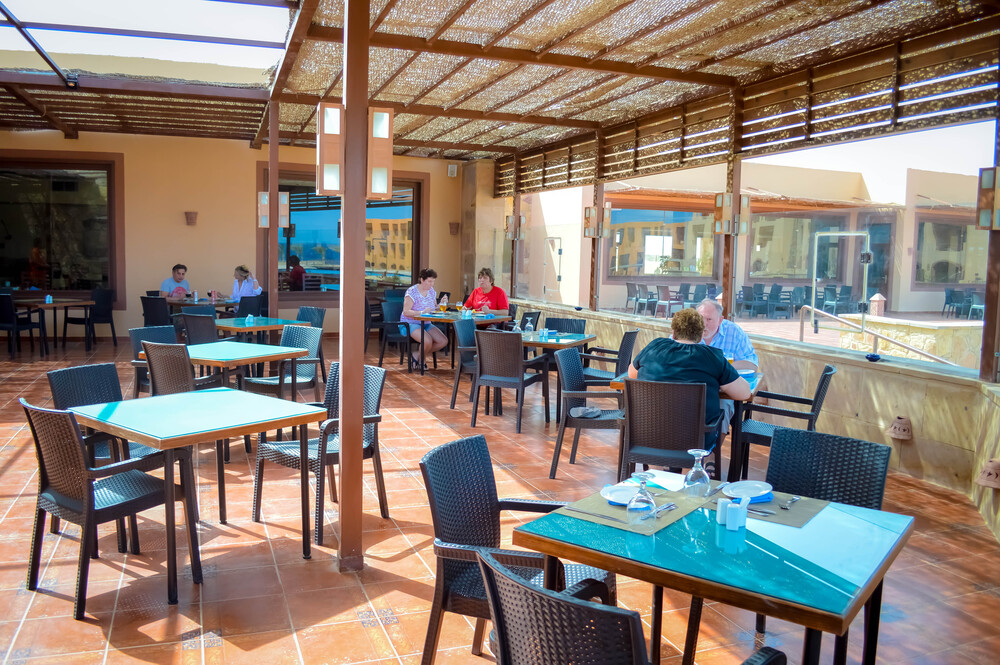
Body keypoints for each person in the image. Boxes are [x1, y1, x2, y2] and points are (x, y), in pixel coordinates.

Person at [628, 308, 751, 447]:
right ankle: (704, 460)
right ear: (701, 335)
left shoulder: (654, 347)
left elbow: (632, 374)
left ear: (674, 333)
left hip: (646, 436)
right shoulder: (713, 357)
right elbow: (744, 393)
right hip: (696, 443)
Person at [401, 268, 449, 370]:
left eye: (433, 281)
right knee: (427, 341)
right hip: (410, 323)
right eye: (429, 281)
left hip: (426, 323)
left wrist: (441, 304)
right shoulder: (412, 292)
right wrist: (422, 312)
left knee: (443, 341)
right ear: (422, 280)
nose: (432, 284)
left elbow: (433, 308)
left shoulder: (431, 291)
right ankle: (422, 360)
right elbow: (406, 312)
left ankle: (417, 354)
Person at [696, 298, 759, 370]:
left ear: (720, 320)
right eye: (700, 318)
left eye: (709, 319)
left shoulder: (734, 332)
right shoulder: (688, 330)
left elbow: (752, 364)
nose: (703, 324)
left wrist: (723, 368)